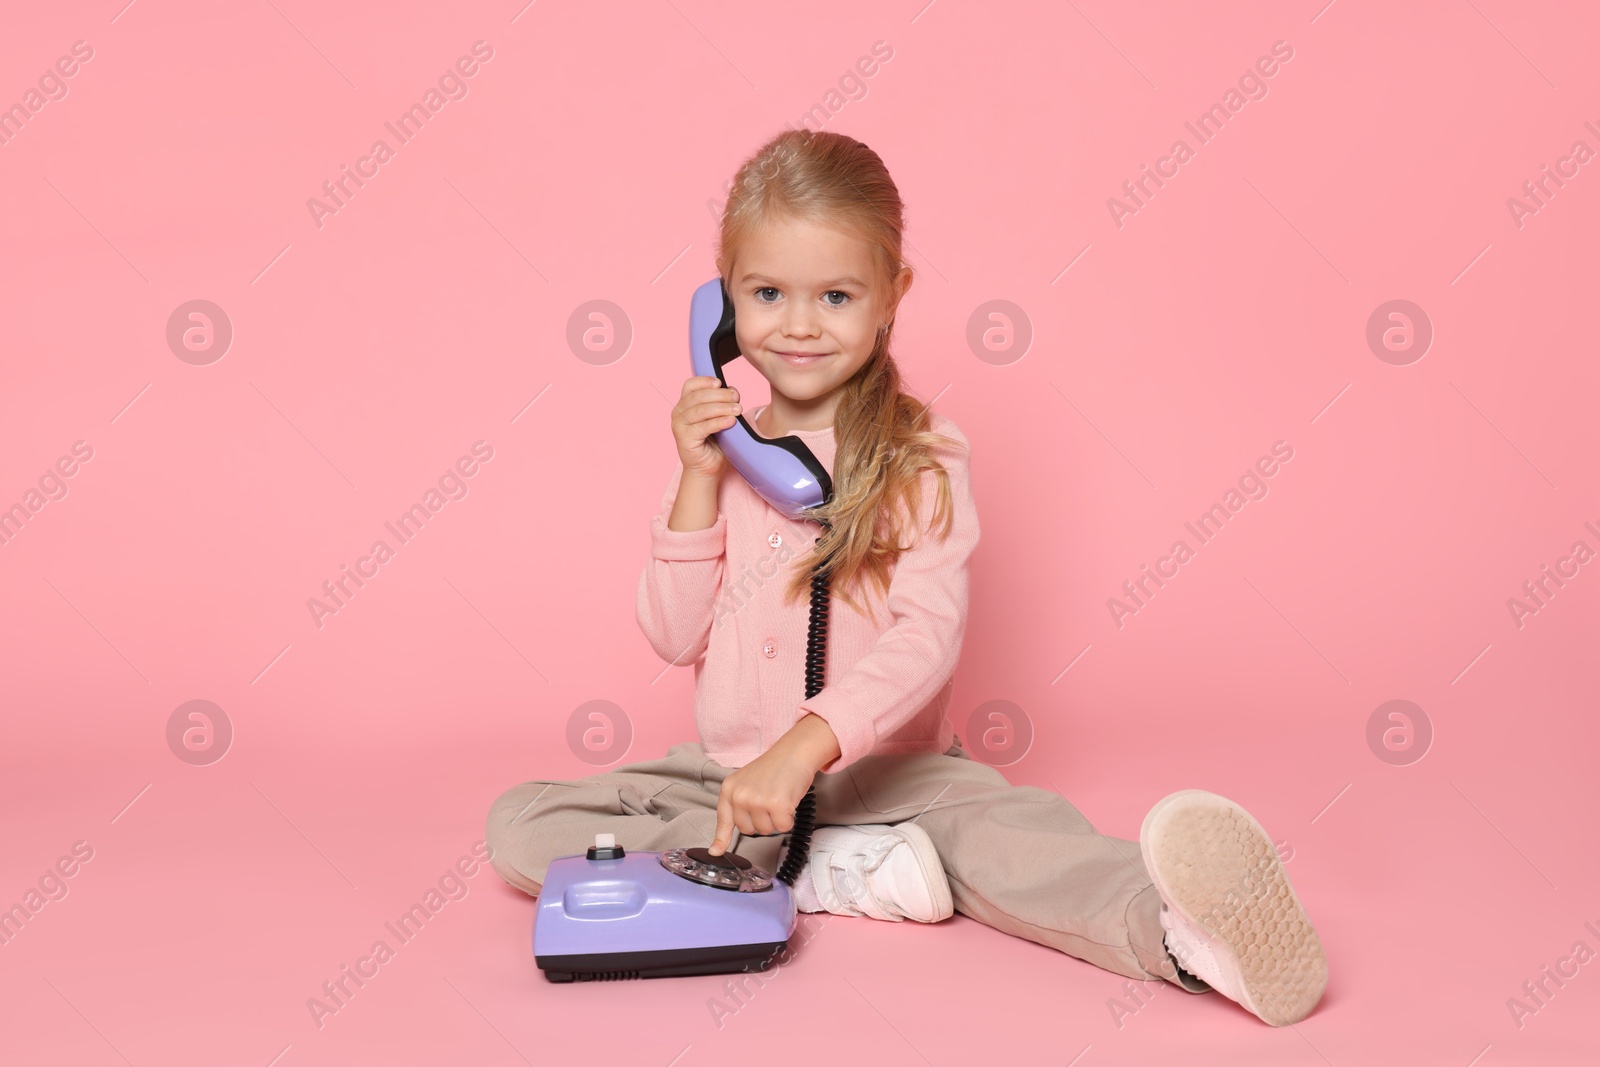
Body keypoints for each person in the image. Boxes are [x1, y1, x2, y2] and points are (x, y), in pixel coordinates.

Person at [485, 128, 1328, 1026]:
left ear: (892, 296)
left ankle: (1187, 935)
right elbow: (671, 633)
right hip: (733, 778)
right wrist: (699, 475)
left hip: (899, 775)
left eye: (836, 295)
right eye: (767, 293)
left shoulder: (924, 456)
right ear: (720, 306)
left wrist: (805, 746)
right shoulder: (722, 457)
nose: (799, 324)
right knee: (523, 825)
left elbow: (925, 637)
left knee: (1020, 849)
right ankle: (834, 869)